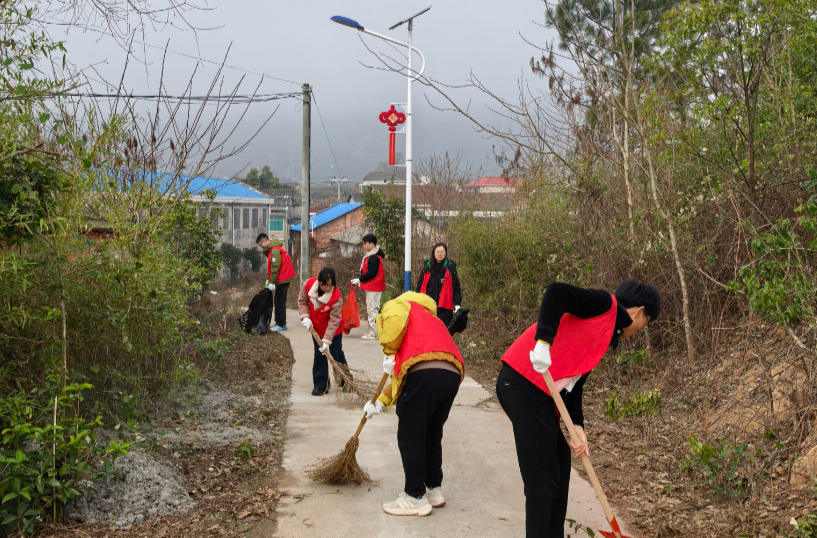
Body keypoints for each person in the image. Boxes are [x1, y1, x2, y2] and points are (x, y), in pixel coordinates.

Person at [496, 280, 660, 538]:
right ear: (639, 311)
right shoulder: (605, 305)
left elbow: (575, 384)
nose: (640, 331)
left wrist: (577, 426)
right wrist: (543, 341)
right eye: (645, 324)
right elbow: (556, 292)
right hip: (521, 381)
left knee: (559, 468)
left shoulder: (606, 335)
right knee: (543, 481)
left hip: (541, 396)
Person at [363, 291, 465, 517]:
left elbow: (410, 361)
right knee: (431, 432)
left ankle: (414, 496)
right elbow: (402, 377)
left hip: (424, 371)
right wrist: (380, 402)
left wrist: (389, 351)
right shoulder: (429, 315)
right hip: (452, 372)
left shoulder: (398, 306)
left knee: (411, 434)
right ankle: (433, 489)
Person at [298, 267, 349, 396]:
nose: (327, 288)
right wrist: (305, 316)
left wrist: (327, 341)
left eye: (330, 285)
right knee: (319, 355)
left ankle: (346, 381)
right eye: (324, 285)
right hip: (316, 329)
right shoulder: (308, 285)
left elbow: (334, 321)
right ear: (319, 282)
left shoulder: (336, 298)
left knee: (336, 354)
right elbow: (302, 301)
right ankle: (321, 385)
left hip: (333, 331)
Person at [256, 234, 297, 332]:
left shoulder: (274, 250)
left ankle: (281, 324)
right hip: (283, 277)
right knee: (278, 301)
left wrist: (272, 282)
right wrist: (270, 280)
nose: (261, 247)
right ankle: (279, 322)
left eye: (261, 245)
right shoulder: (274, 248)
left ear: (265, 241)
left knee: (279, 302)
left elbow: (275, 267)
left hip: (283, 278)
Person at [415, 243, 462, 326]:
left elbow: (456, 287)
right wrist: (416, 301)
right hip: (428, 306)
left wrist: (457, 303)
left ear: (445, 253)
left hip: (444, 308)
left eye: (442, 252)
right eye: (438, 252)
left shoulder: (450, 268)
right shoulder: (427, 267)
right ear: (434, 253)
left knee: (443, 333)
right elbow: (420, 285)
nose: (440, 254)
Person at [351, 233, 385, 340]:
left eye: (365, 243)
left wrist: (359, 279)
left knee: (372, 310)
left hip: (373, 287)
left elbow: (371, 273)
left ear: (371, 244)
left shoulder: (374, 258)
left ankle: (373, 333)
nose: (364, 246)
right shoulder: (372, 256)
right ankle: (374, 331)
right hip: (372, 287)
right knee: (372, 309)